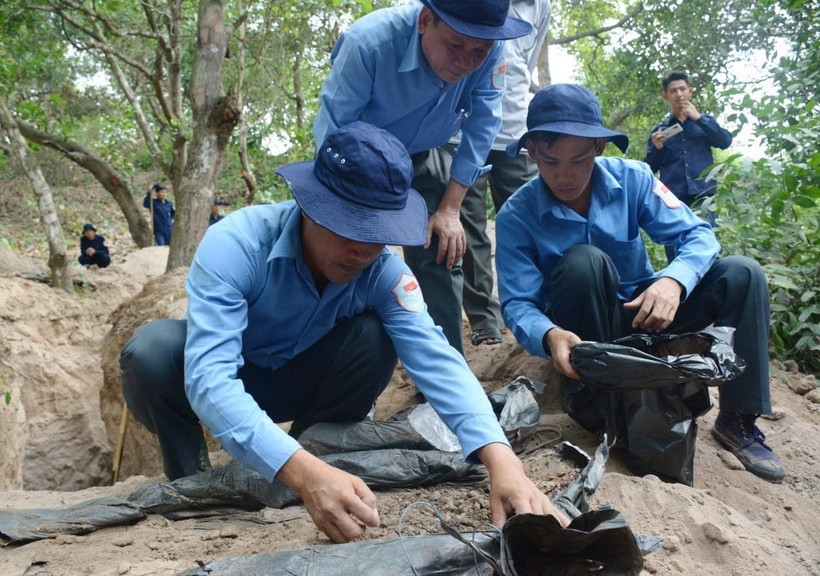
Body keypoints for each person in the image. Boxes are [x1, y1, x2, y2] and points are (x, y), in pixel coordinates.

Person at [120, 122, 568, 544]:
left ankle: (317, 458)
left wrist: (502, 461)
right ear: (310, 207)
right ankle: (193, 476)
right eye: (350, 228)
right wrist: (303, 474)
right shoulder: (236, 244)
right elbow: (211, 380)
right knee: (152, 352)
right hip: (237, 375)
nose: (363, 250)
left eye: (379, 233)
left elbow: (438, 361)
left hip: (303, 382)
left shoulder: (384, 272)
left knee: (375, 335)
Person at [495, 83, 785, 484]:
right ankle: (600, 403)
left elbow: (698, 236)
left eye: (579, 159)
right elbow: (518, 303)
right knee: (583, 262)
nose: (565, 176)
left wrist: (673, 281)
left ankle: (739, 420)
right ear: (531, 153)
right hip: (586, 334)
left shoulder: (634, 179)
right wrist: (550, 335)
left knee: (743, 273)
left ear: (598, 147)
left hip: (648, 315)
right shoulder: (516, 215)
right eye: (550, 161)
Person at [313, 0, 533, 356]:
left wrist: (450, 210)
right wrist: (343, 215)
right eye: (455, 45)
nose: (465, 62)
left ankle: (447, 364)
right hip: (357, 160)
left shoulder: (490, 49)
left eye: (478, 52)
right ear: (426, 20)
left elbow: (483, 126)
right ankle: (328, 349)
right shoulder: (368, 44)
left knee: (443, 244)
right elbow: (334, 133)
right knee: (343, 248)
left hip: (424, 152)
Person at [455, 0, 550, 347]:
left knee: (535, 222)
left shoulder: (539, 5)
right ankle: (485, 321)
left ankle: (542, 312)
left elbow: (524, 62)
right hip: (463, 132)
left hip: (515, 133)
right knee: (469, 228)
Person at [645, 70, 733, 259]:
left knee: (710, 250)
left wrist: (699, 118)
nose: (679, 94)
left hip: (704, 197)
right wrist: (656, 149)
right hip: (673, 202)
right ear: (665, 96)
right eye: (673, 90)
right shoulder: (659, 132)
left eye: (682, 89)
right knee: (676, 252)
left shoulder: (704, 122)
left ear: (690, 91)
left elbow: (725, 141)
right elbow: (648, 170)